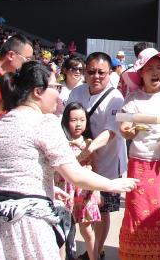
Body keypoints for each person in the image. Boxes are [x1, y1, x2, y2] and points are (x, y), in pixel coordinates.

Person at [0, 61, 138, 260]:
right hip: (24, 224)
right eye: (55, 87)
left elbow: (14, 172)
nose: (58, 94)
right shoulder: (44, 123)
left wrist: (48, 185)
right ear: (38, 92)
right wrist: (112, 184)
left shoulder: (2, 121)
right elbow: (74, 174)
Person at [118, 48, 160, 260]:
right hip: (141, 164)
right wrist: (131, 130)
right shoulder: (133, 99)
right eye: (149, 69)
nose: (155, 72)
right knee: (138, 213)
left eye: (159, 68)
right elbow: (124, 128)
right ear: (141, 73)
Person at [68, 52, 128, 259]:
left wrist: (89, 149)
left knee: (102, 210)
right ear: (85, 72)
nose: (96, 76)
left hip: (108, 163)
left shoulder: (116, 98)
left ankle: (97, 250)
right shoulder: (76, 93)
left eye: (101, 72)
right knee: (80, 209)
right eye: (91, 72)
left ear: (110, 73)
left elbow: (111, 132)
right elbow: (67, 122)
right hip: (80, 164)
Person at [57, 102, 101, 260]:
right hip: (65, 188)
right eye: (73, 120)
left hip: (84, 191)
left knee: (87, 230)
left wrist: (97, 190)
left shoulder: (88, 142)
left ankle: (93, 257)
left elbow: (94, 165)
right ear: (65, 121)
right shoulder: (59, 142)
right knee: (64, 230)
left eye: (82, 120)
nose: (78, 124)